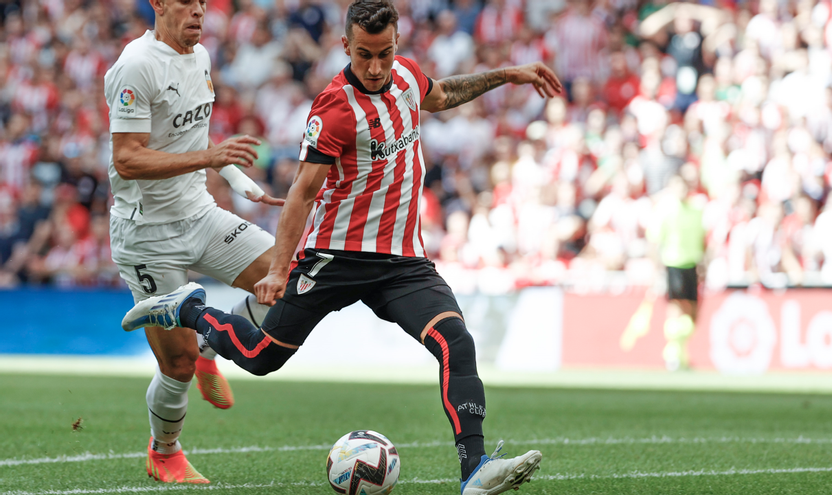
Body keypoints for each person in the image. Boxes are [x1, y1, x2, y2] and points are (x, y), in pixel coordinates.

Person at [123, 1, 562, 493]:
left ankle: (476, 469)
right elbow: (301, 195)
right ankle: (192, 310)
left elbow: (441, 94)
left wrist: (509, 74)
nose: (375, 68)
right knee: (262, 357)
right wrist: (278, 269)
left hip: (402, 263)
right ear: (345, 47)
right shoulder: (333, 110)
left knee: (455, 342)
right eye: (364, 55)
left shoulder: (407, 77)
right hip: (335, 257)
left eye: (385, 54)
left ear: (397, 46)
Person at [105, 0, 284, 484]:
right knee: (177, 363)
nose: (199, 13)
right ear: (159, 4)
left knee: (290, 277)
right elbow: (128, 160)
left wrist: (244, 184)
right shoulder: (135, 67)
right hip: (148, 234)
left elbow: (196, 143)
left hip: (200, 215)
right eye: (186, 3)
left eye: (203, 4)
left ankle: (212, 346)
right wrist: (211, 156)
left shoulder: (200, 56)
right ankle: (164, 452)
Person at [647, 174, 705, 371]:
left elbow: (702, 239)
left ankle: (681, 352)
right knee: (677, 309)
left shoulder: (696, 209)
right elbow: (654, 241)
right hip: (673, 263)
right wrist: (657, 270)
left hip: (692, 265)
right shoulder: (665, 209)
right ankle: (673, 355)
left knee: (692, 314)